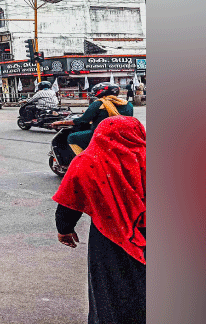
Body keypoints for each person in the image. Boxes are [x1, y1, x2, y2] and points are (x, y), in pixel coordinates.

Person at [53, 115, 146, 323]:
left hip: (108, 237)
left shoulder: (88, 161)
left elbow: (69, 201)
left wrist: (64, 229)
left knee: (109, 287)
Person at [52, 82, 133, 155]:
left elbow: (82, 121)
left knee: (72, 137)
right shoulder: (128, 104)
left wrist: (60, 122)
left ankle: (83, 161)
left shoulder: (99, 103)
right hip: (122, 135)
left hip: (101, 135)